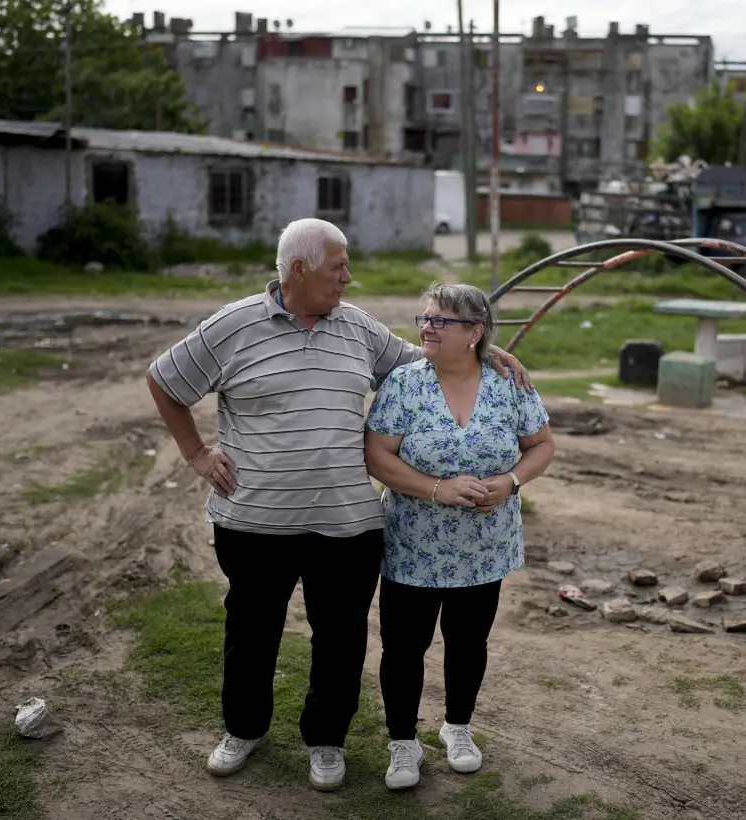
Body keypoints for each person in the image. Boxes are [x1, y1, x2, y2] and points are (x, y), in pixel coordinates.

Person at [143, 219, 531, 792]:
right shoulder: (233, 325)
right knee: (251, 632)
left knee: (342, 639)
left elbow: (423, 360)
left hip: (347, 525)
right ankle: (244, 730)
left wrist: (484, 352)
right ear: (299, 269)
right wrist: (197, 453)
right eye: (339, 266)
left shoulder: (358, 329)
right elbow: (164, 381)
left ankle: (325, 742)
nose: (348, 277)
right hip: (254, 520)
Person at [363, 283, 555, 790]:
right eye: (425, 317)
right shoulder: (404, 385)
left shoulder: (508, 383)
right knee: (404, 646)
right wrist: (436, 489)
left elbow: (541, 445)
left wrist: (511, 481)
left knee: (469, 643)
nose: (427, 327)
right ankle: (403, 743)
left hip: (485, 548)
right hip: (414, 545)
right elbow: (376, 456)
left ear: (474, 333)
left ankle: (457, 728)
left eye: (441, 321)